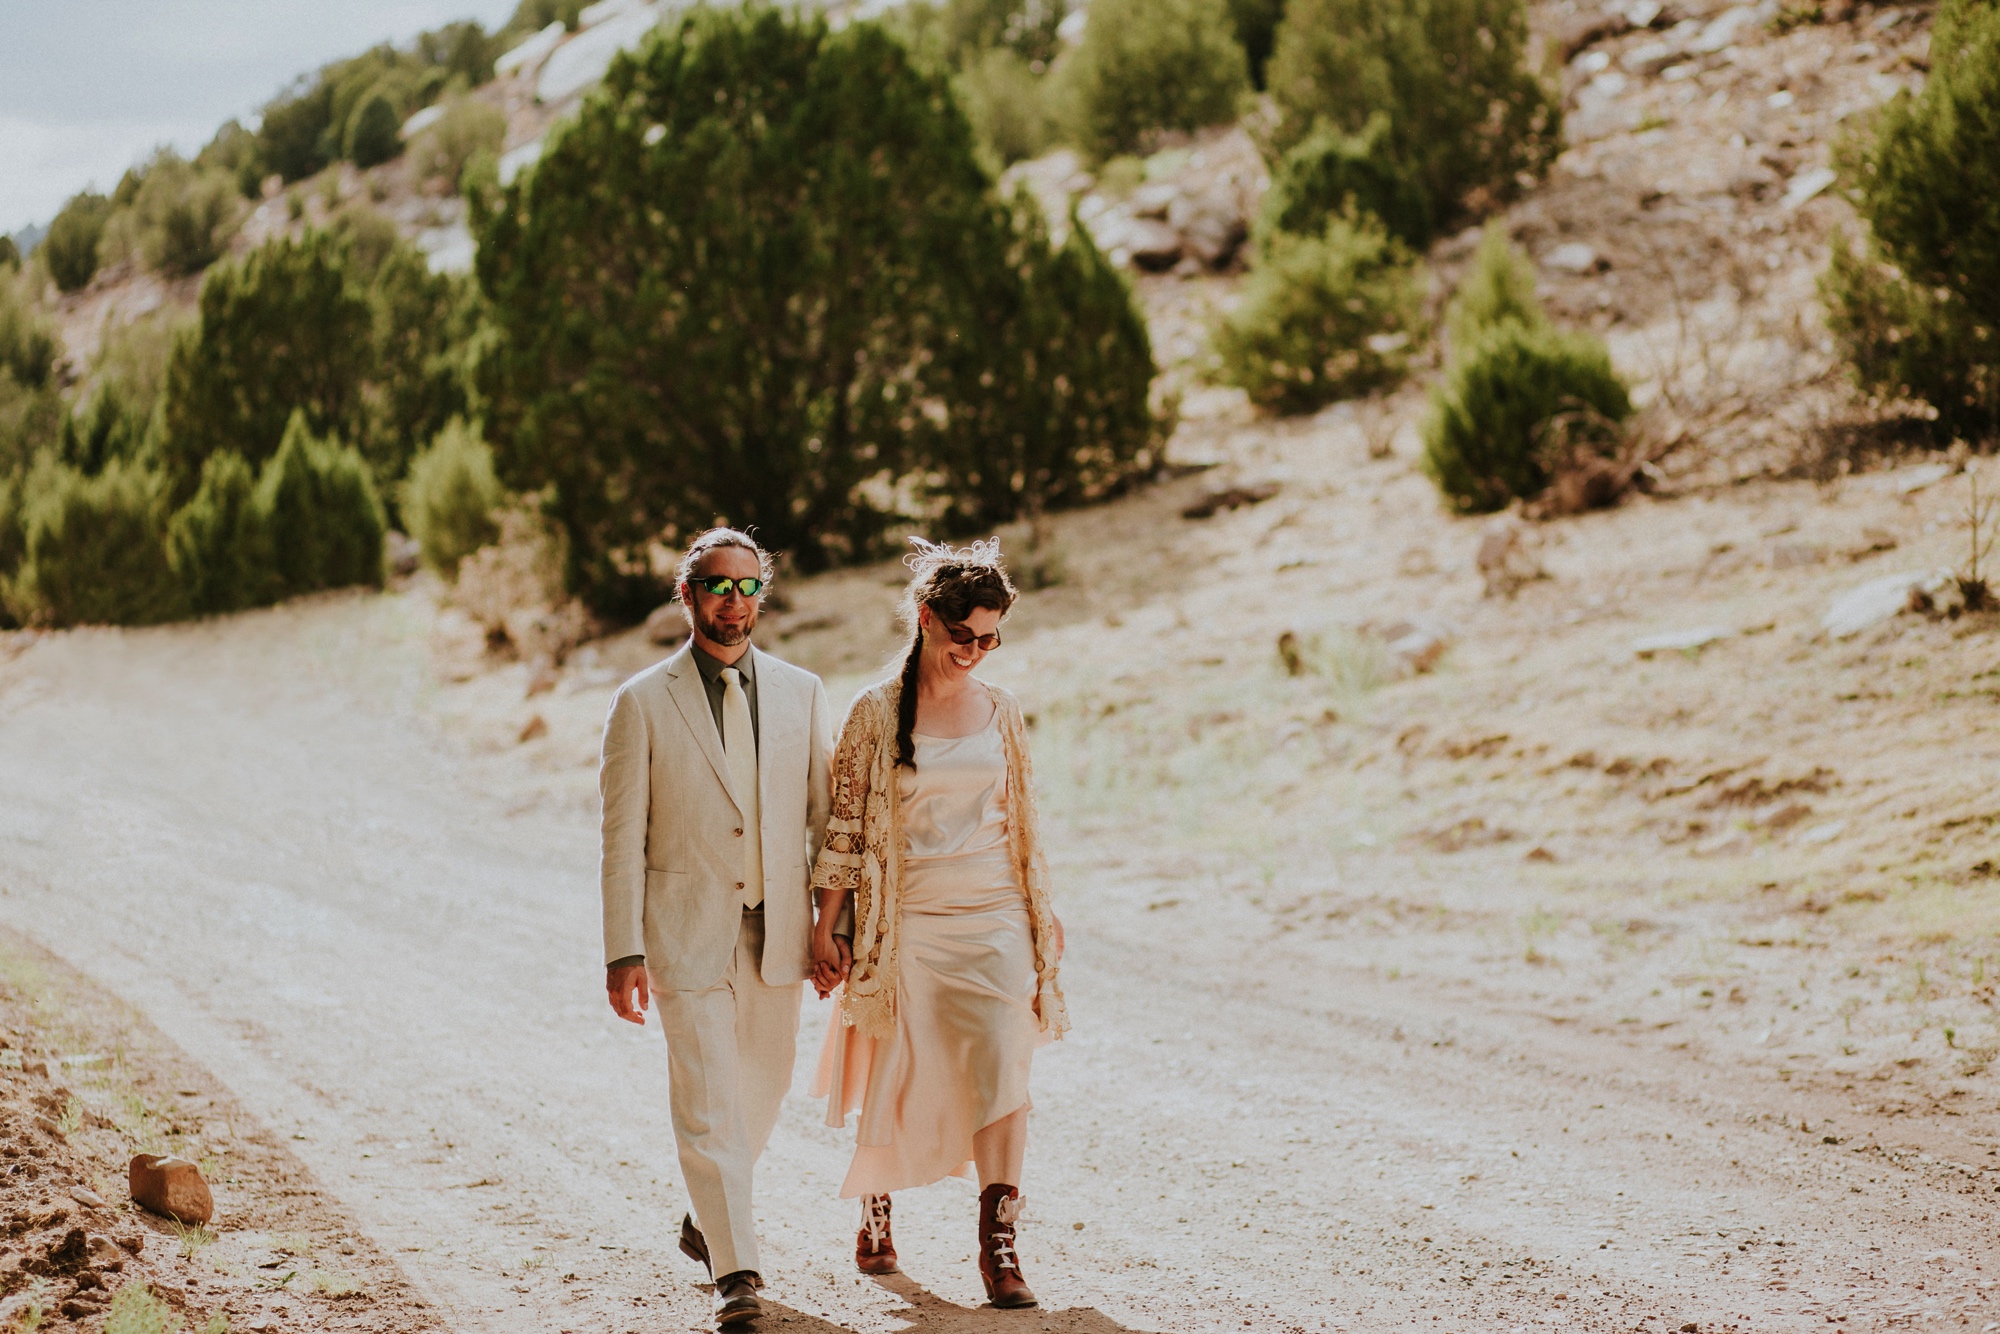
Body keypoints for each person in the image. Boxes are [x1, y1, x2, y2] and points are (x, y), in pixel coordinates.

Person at [807, 536, 1068, 1310]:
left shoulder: (1002, 709)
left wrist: (1042, 909)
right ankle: (876, 1204)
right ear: (926, 618)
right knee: (899, 1066)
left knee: (1003, 1061)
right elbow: (845, 830)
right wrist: (829, 925)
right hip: (907, 915)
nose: (978, 653)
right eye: (965, 638)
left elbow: (1020, 816)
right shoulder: (875, 711)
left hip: (993, 911)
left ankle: (999, 1241)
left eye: (992, 638)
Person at [599, 528, 839, 1327]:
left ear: (761, 595)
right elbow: (622, 837)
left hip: (781, 933)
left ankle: (708, 1220)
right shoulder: (640, 702)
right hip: (683, 932)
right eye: (716, 585)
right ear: (686, 593)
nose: (732, 601)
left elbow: (825, 825)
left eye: (746, 586)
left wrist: (833, 927)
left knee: (760, 1097)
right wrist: (622, 949)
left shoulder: (803, 693)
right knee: (707, 1101)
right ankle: (738, 1274)